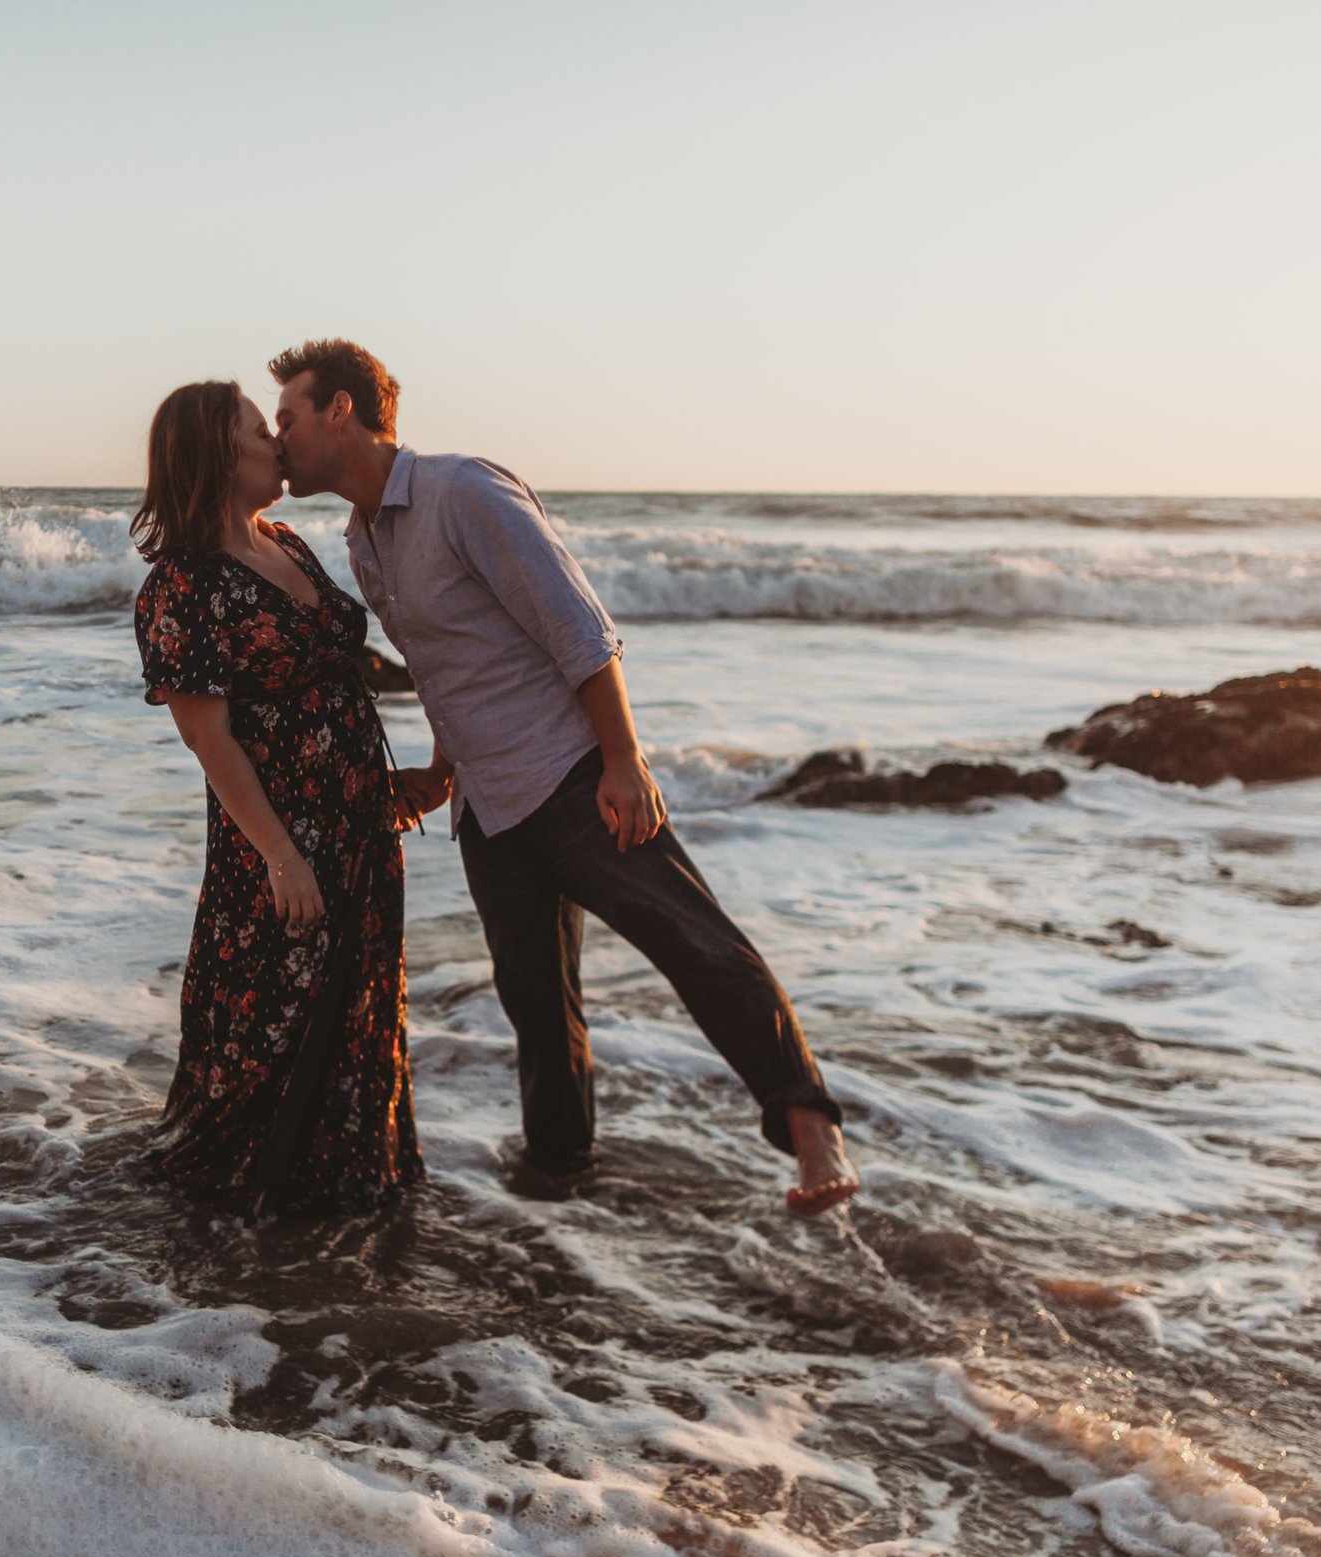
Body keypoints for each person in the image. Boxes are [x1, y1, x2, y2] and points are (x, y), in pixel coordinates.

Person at [268, 339, 861, 1214]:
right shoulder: (363, 541)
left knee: (694, 943)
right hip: (489, 808)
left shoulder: (463, 490)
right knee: (537, 1004)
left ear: (342, 411)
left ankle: (813, 1128)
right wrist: (441, 767)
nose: (278, 438)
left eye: (287, 417)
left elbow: (577, 623)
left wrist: (622, 760)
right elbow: (448, 663)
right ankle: (558, 1171)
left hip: (573, 775)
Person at [130, 379, 421, 1216]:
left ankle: (351, 1202)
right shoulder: (181, 585)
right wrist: (282, 854)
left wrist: (400, 769)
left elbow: (339, 675)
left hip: (360, 833)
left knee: (359, 1016)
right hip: (280, 849)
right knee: (268, 1038)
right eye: (263, 429)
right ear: (223, 454)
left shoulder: (289, 544)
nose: (279, 442)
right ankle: (238, 1227)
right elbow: (208, 738)